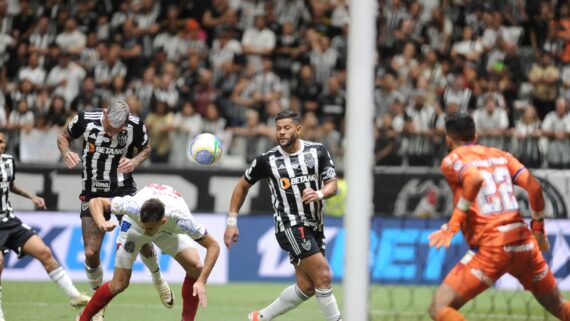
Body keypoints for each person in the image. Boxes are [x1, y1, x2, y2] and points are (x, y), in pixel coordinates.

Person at [427, 112, 570, 321]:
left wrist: (453, 223)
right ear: (475, 135)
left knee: (439, 308)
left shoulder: (452, 159)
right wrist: (538, 228)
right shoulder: (500, 155)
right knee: (560, 307)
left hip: (492, 248)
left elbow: (474, 179)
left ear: (448, 140)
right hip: (524, 245)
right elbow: (534, 187)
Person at [57, 99, 172, 321]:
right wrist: (66, 151)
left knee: (144, 242)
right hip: (92, 190)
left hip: (124, 189)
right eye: (109, 128)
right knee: (91, 252)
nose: (111, 134)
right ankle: (97, 303)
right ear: (106, 112)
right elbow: (63, 137)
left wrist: (135, 161)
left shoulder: (136, 125)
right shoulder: (84, 119)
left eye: (116, 131)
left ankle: (158, 280)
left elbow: (146, 148)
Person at [224, 111, 343, 321]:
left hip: (315, 225)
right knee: (323, 275)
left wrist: (319, 193)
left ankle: (259, 317)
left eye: (286, 127)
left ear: (298, 129)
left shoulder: (317, 151)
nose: (281, 132)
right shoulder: (267, 160)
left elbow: (333, 186)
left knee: (307, 287)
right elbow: (242, 186)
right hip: (289, 225)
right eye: (278, 128)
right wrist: (232, 221)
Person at [77, 183, 220, 321]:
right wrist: (102, 222)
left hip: (168, 232)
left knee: (196, 267)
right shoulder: (132, 206)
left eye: (149, 229)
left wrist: (201, 281)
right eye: (144, 226)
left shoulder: (182, 220)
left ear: (163, 221)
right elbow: (95, 202)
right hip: (134, 229)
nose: (146, 232)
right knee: (119, 284)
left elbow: (213, 246)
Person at [0, 132, 90, 321]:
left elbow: (10, 184)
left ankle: (74, 295)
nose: (2, 145)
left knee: (45, 252)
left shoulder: (8, 161)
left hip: (9, 220)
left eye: (3, 142)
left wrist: (31, 196)